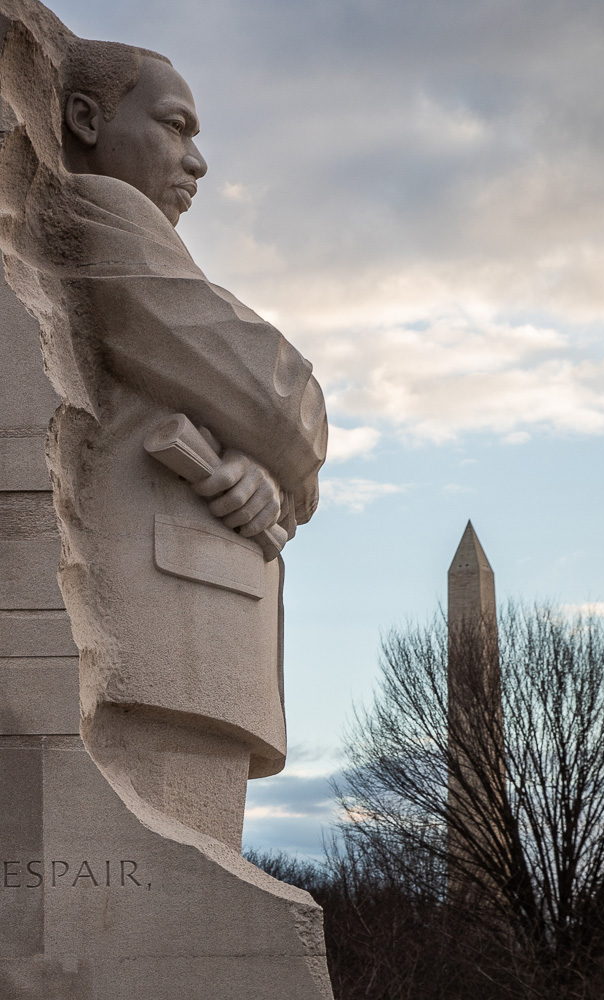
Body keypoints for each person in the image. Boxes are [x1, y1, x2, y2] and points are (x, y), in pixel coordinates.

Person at [0, 23, 327, 852]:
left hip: (193, 621)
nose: (197, 160)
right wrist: (289, 438)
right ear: (83, 118)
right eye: (175, 126)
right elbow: (275, 395)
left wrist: (267, 472)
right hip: (160, 622)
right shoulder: (95, 208)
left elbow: (259, 427)